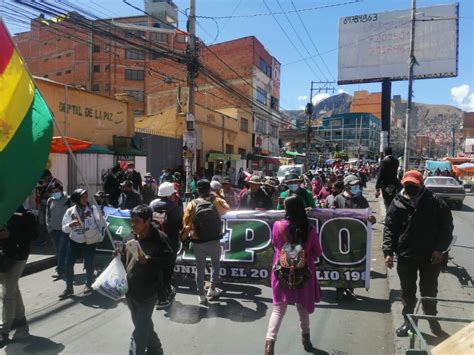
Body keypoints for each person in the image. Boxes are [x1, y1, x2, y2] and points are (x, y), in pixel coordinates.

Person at [383, 170, 453, 337]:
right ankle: (408, 322)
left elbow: (447, 228)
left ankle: (432, 321)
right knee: (407, 292)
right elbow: (389, 229)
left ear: (421, 184)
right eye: (407, 184)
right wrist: (388, 252)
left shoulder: (435, 202)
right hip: (406, 256)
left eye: (413, 184)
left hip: (430, 257)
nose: (410, 187)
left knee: (429, 291)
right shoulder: (397, 202)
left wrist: (440, 250)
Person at [264, 195, 322, 355]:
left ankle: (269, 346)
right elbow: (318, 252)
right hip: (304, 275)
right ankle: (306, 340)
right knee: (302, 308)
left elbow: (276, 245)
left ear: (287, 210)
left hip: (281, 273)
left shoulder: (277, 226)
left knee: (277, 310)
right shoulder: (309, 229)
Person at [118, 205, 175, 355]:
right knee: (142, 323)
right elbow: (124, 260)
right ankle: (156, 349)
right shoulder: (129, 237)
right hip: (130, 290)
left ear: (148, 221)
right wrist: (117, 256)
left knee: (140, 329)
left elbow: (168, 261)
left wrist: (149, 261)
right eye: (132, 221)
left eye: (137, 221)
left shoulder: (160, 238)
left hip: (149, 291)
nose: (133, 225)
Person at [180, 179, 230, 304]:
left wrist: (183, 238)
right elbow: (226, 209)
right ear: (209, 189)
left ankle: (201, 295)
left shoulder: (192, 204)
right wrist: (216, 195)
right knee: (215, 265)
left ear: (197, 190)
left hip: (198, 241)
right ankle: (212, 289)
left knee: (200, 268)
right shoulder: (216, 201)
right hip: (214, 240)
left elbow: (186, 225)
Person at [333, 175, 376, 301]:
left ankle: (350, 288)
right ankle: (339, 288)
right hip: (340, 238)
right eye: (353, 185)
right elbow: (330, 215)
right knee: (340, 263)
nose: (357, 188)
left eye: (358, 185)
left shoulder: (362, 200)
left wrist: (372, 219)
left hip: (356, 238)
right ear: (346, 186)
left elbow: (369, 217)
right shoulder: (338, 198)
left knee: (353, 263)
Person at [0, 206, 37, 347]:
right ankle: (20, 317)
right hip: (3, 257)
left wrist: (10, 234)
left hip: (18, 258)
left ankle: (4, 331)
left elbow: (33, 235)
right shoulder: (3, 212)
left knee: (7, 294)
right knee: (12, 287)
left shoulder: (27, 215)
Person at [60, 189, 103, 299]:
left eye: (86, 197)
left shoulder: (93, 210)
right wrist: (70, 225)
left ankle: (88, 284)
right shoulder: (70, 211)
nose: (85, 199)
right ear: (76, 199)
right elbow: (64, 228)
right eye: (82, 197)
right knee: (68, 265)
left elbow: (100, 223)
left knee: (89, 264)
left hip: (89, 242)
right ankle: (69, 288)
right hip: (74, 241)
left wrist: (98, 235)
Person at [149, 182, 183, 309]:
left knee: (156, 269)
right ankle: (162, 299)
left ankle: (164, 291)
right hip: (169, 243)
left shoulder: (152, 204)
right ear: (170, 194)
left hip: (153, 242)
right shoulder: (174, 208)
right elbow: (181, 226)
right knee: (167, 270)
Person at [46, 181, 71, 280]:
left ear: (61, 190)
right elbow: (47, 215)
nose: (55, 193)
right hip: (53, 230)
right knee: (58, 250)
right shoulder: (50, 201)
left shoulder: (68, 200)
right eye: (53, 192)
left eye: (57, 191)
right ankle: (64, 268)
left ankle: (60, 270)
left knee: (62, 249)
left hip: (64, 230)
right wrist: (49, 228)